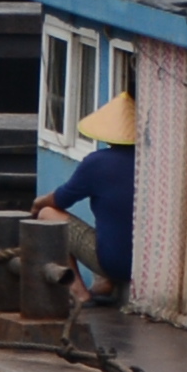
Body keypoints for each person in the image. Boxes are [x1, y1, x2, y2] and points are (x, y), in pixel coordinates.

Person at [41, 88, 140, 293]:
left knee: (47, 214)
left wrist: (37, 204)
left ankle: (78, 292)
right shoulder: (155, 163)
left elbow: (60, 200)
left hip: (116, 263)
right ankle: (104, 284)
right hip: (150, 264)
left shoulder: (97, 163)